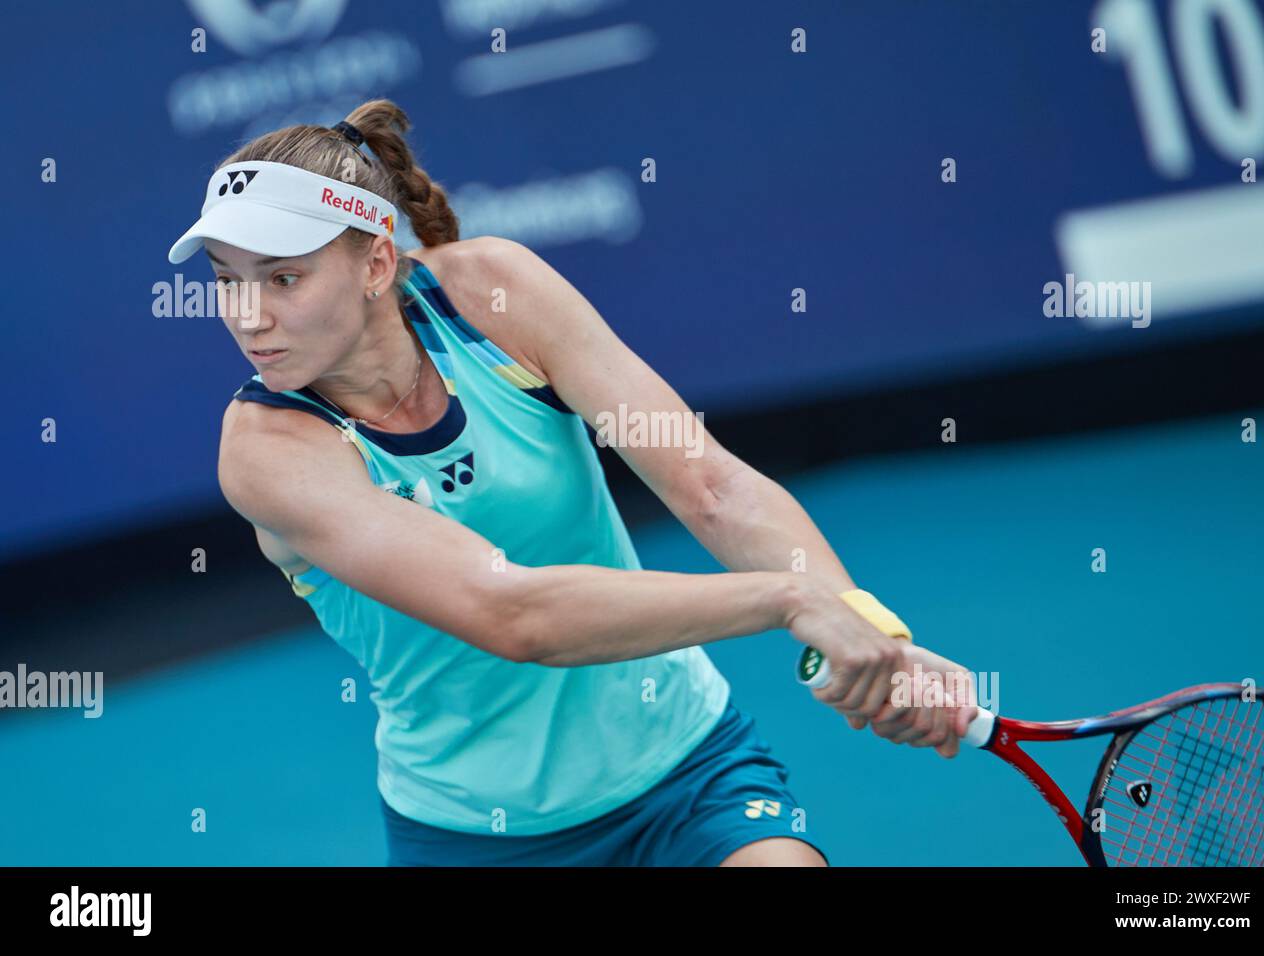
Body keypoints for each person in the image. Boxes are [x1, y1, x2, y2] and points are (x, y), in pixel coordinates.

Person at [167, 98, 976, 866]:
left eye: (282, 279)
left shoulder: (493, 294)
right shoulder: (269, 451)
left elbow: (713, 487)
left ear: (377, 261)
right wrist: (791, 600)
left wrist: (869, 631)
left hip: (686, 771)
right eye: (226, 277)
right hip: (477, 836)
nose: (246, 315)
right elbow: (515, 614)